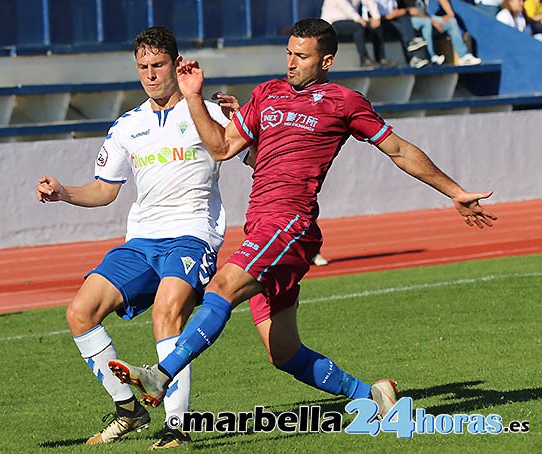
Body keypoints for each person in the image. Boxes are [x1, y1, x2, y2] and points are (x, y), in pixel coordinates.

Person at [109, 19, 497, 427]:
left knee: (222, 286)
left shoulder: (344, 102)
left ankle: (160, 374)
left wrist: (454, 190)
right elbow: (222, 147)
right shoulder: (266, 93)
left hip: (290, 222)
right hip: (261, 225)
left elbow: (399, 150)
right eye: (288, 53)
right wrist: (193, 97)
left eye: (301, 55)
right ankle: (375, 399)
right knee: (283, 352)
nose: (291, 63)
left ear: (326, 60)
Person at [36, 26, 233, 449]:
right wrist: (64, 193)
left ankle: (176, 427)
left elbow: (253, 154)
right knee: (80, 311)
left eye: (158, 65)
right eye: (142, 66)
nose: (149, 74)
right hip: (142, 241)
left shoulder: (208, 112)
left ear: (176, 65)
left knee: (168, 311)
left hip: (192, 236)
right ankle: (128, 409)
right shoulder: (128, 126)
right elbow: (106, 190)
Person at [403, 0, 482, 65]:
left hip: (428, 17)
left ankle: (464, 56)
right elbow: (413, 11)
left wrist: (450, 14)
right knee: (427, 23)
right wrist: (432, 21)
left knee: (451, 22)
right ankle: (431, 57)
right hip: (409, 21)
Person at [321, 0, 394, 68]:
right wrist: (358, 19)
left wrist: (376, 18)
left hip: (352, 21)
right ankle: (364, 60)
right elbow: (344, 6)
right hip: (332, 23)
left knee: (377, 27)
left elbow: (369, 2)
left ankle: (381, 59)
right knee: (358, 28)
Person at [368, 0, 431, 67]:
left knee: (404, 19)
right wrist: (388, 16)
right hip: (381, 21)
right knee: (402, 27)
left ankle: (413, 51)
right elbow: (372, 16)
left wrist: (399, 12)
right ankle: (411, 49)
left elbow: (394, 9)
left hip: (392, 19)